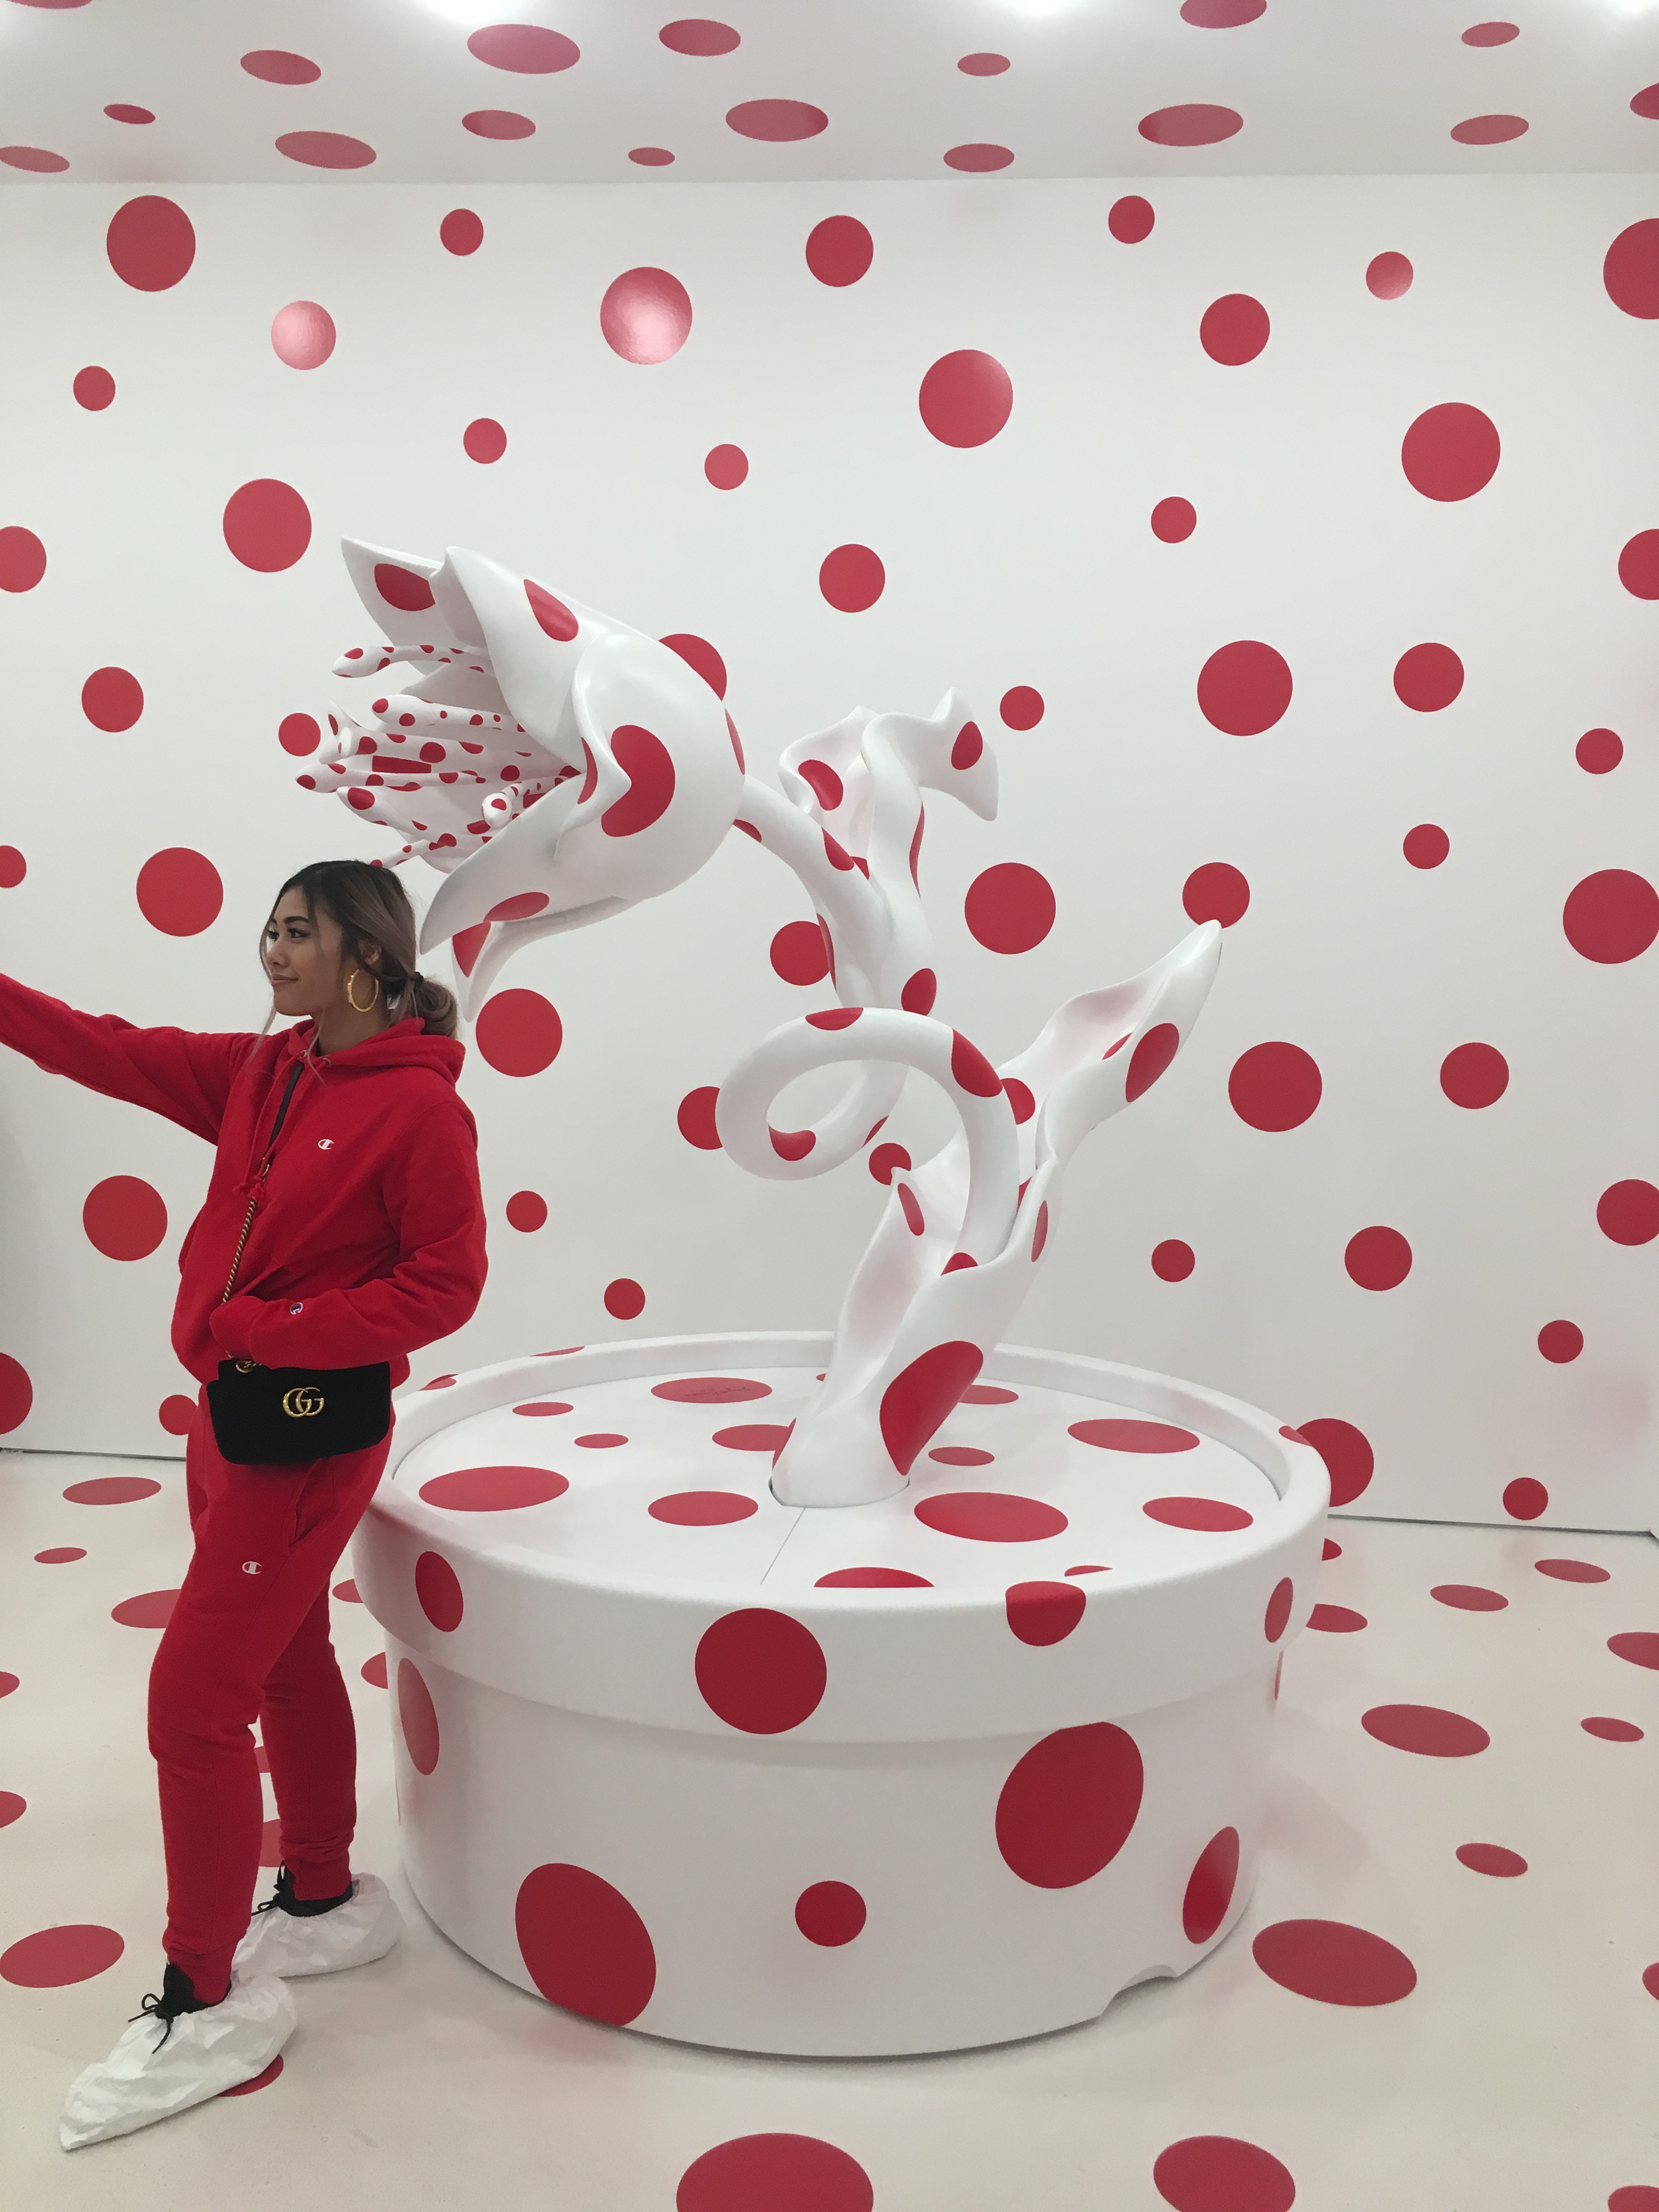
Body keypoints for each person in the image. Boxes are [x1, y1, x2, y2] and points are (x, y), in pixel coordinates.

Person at [0, 859, 488, 2147]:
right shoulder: (266, 1069)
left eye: (297, 932)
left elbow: (444, 1285)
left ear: (369, 957)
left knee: (192, 1703)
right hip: (228, 1424)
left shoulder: (421, 1110)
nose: (271, 951)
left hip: (305, 1440)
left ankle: (202, 1995)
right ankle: (320, 1892)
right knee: (281, 1661)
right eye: (268, 930)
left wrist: (275, 1328)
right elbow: (105, 1049)